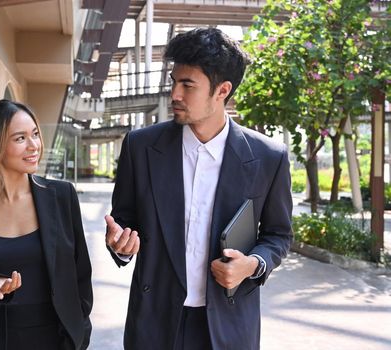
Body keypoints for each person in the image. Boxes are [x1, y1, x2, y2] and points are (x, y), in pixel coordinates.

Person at [105, 28, 293, 350]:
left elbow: (278, 234)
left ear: (222, 91)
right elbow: (124, 219)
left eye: (187, 85)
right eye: (174, 81)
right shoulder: (141, 146)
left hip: (227, 326)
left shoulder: (267, 157)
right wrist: (120, 245)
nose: (174, 93)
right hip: (155, 321)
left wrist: (253, 264)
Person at [0, 99, 92, 350]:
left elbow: (80, 273)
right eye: (20, 138)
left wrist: (79, 332)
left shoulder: (62, 196)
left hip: (58, 340)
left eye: (35, 134)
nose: (34, 145)